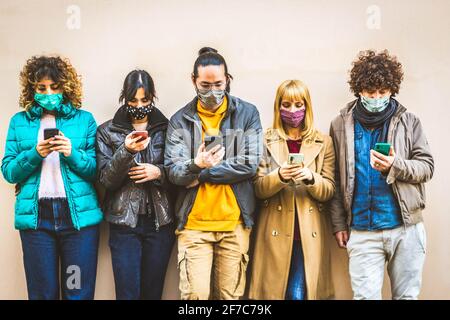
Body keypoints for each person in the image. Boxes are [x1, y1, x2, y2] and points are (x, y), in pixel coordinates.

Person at [329, 50, 434, 300]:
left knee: (407, 297)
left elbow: (427, 167)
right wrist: (338, 224)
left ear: (392, 90)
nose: (376, 98)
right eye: (370, 92)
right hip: (362, 230)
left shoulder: (409, 121)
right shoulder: (340, 124)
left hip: (406, 228)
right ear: (359, 90)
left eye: (382, 92)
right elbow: (335, 178)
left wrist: (395, 166)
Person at [164, 47, 263, 300]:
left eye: (218, 84)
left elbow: (250, 164)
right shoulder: (180, 120)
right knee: (195, 299)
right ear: (193, 81)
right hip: (194, 227)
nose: (212, 91)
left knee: (229, 299)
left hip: (235, 225)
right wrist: (195, 164)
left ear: (227, 79)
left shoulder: (247, 113)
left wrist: (202, 172)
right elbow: (174, 172)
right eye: (205, 85)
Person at [1, 55, 103, 299]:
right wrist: (35, 154)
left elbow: (95, 171)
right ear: (32, 89)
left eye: (55, 87)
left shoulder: (84, 120)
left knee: (77, 292)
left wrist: (71, 153)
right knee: (42, 294)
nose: (49, 93)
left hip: (78, 219)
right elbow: (9, 171)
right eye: (42, 88)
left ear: (65, 87)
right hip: (37, 220)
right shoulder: (19, 122)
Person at [248, 80, 335, 300]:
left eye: (298, 104)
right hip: (274, 233)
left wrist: (310, 177)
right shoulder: (264, 139)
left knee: (296, 295)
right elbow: (257, 189)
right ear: (278, 107)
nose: (293, 111)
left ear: (307, 106)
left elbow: (329, 190)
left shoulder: (323, 141)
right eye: (286, 104)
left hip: (307, 234)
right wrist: (279, 176)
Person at [96, 69, 175, 300]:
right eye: (133, 100)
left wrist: (158, 172)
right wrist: (126, 151)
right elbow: (106, 180)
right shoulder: (107, 131)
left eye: (145, 100)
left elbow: (181, 175)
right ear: (124, 98)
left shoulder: (168, 129)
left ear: (152, 98)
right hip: (123, 224)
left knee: (153, 293)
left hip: (160, 223)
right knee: (127, 293)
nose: (139, 106)